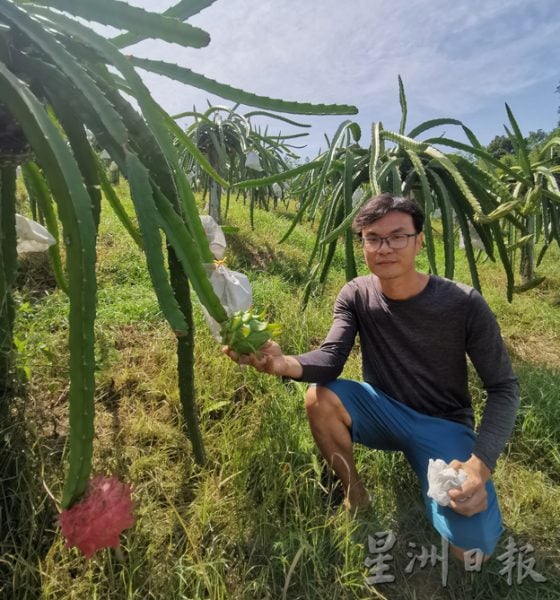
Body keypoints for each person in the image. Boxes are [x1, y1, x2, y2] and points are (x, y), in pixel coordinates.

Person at [224, 193, 519, 560]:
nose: (385, 248)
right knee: (319, 397)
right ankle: (355, 493)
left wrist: (479, 465)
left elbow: (504, 388)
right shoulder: (356, 294)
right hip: (383, 411)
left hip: (442, 423)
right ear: (362, 244)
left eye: (398, 236)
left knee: (473, 552)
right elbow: (331, 359)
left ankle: (446, 483)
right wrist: (283, 363)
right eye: (373, 238)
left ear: (419, 241)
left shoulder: (463, 303)